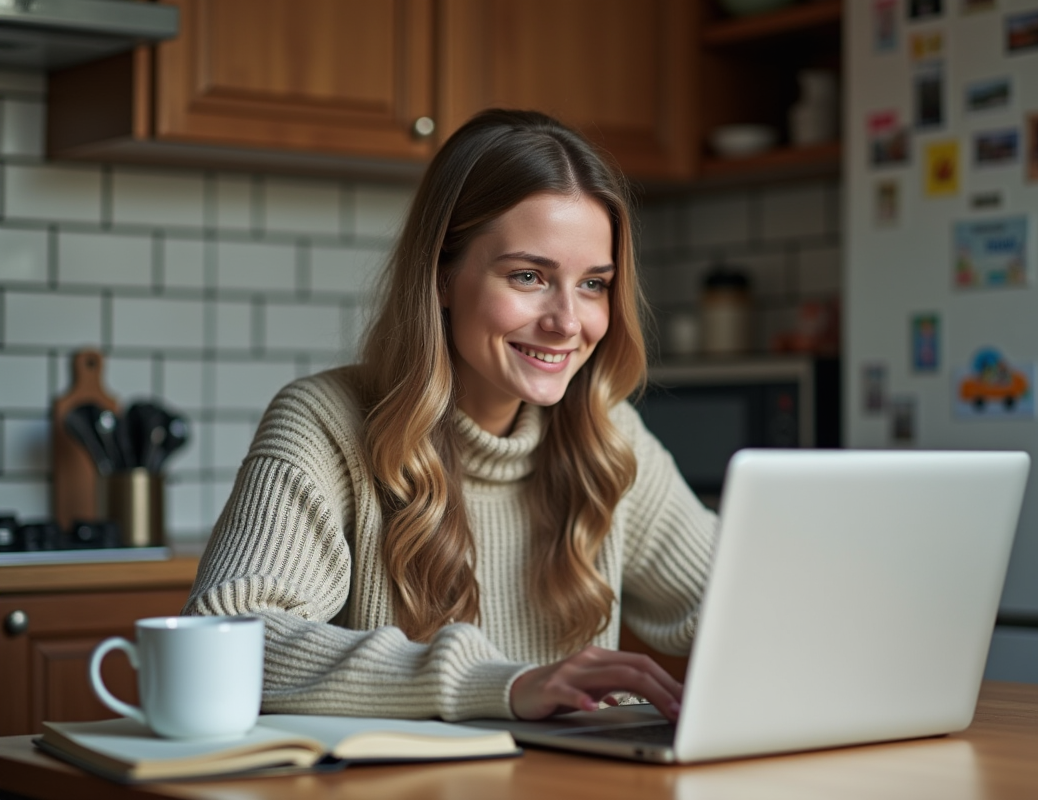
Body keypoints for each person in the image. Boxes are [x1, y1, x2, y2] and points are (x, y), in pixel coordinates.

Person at [184, 109, 717, 723]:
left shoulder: (607, 432)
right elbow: (228, 638)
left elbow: (738, 602)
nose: (568, 322)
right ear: (441, 276)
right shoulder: (326, 425)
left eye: (594, 284)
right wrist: (500, 684)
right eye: (528, 276)